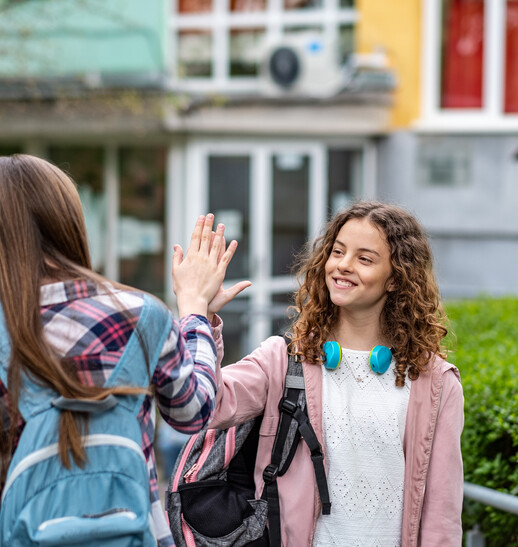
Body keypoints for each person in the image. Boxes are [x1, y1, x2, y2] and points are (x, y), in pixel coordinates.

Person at [174, 201, 464, 546]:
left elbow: (442, 514)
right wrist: (197, 315)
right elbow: (203, 405)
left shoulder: (436, 382)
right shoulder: (283, 360)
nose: (342, 265)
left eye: (364, 258)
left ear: (395, 278)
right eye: (338, 252)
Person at [0, 154, 238, 547]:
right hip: (130, 531)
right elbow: (192, 412)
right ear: (68, 222)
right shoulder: (140, 315)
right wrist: (194, 310)